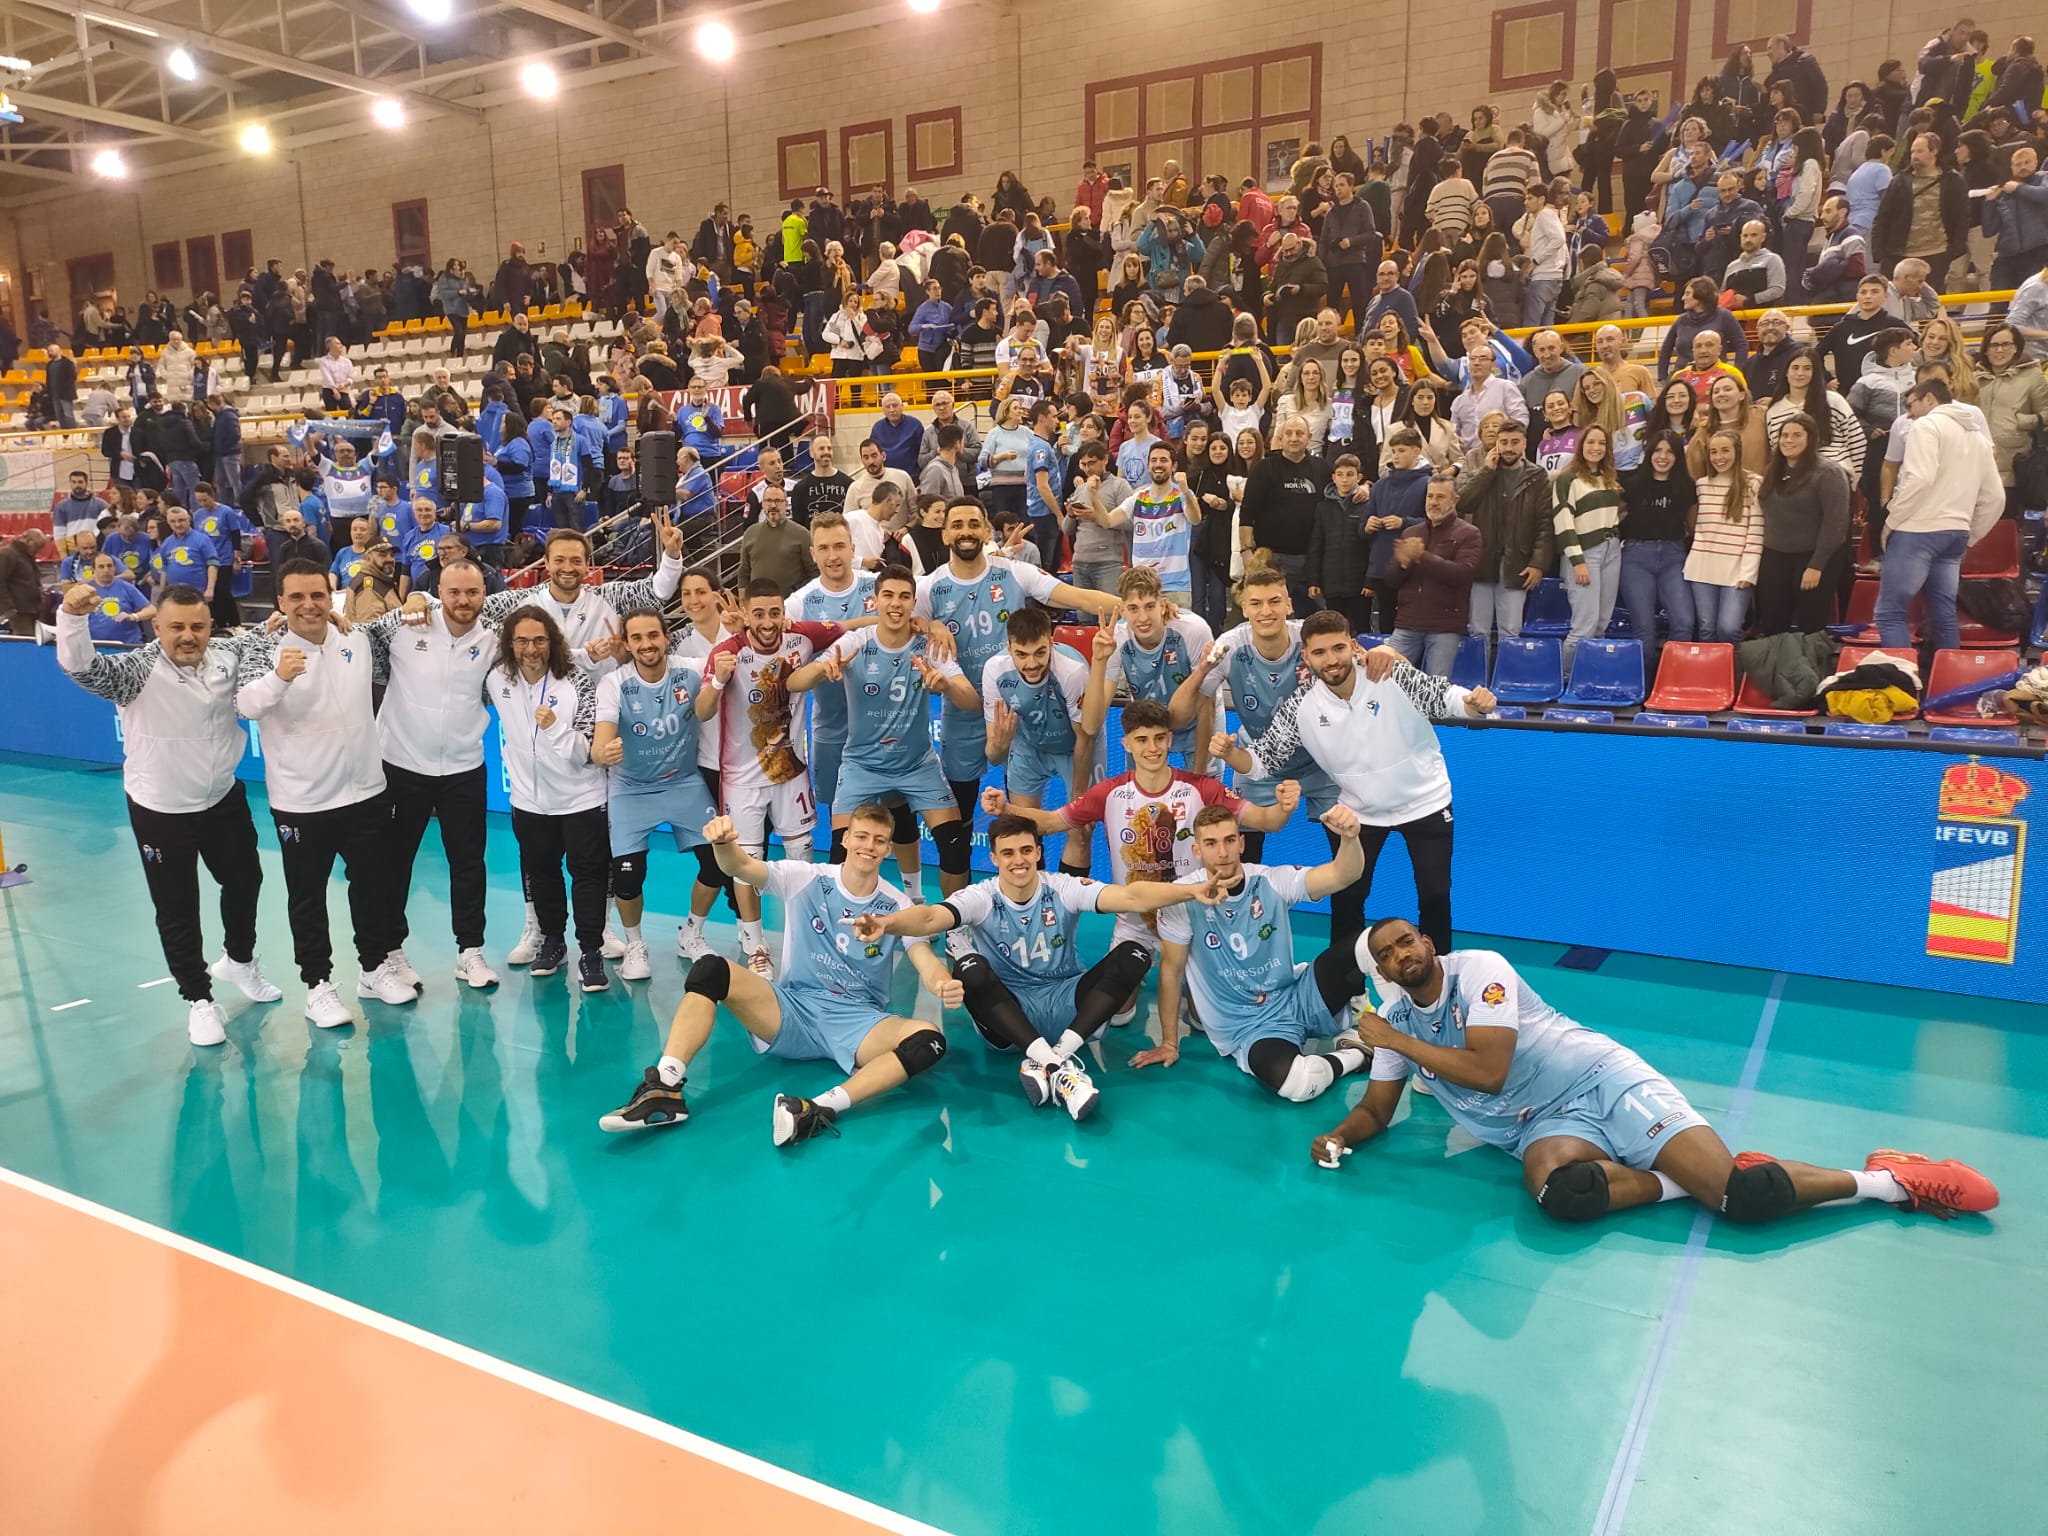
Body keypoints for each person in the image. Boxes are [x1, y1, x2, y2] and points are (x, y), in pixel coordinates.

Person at [1313, 919, 1999, 1224]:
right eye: (1390, 952)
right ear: (1385, 971)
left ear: (1429, 944)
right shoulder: (1395, 1025)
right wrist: (1342, 1135)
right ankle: (1683, 1178)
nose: (1404, 953)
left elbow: (1488, 1072)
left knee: (1742, 1201)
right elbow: (1377, 1108)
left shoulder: (1481, 972)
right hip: (1544, 1131)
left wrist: (1383, 1037)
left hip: (1599, 1083)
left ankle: (1891, 1180)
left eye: (1409, 940)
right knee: (1563, 1196)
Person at [598, 804, 958, 1148]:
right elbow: (741, 866)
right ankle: (665, 1086)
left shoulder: (897, 905)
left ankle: (818, 1108)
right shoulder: (806, 877)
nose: (869, 846)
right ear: (845, 839)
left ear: (889, 848)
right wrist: (723, 844)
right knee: (711, 968)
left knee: (929, 1039)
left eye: (879, 841)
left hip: (859, 1023)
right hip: (792, 1009)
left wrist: (941, 981)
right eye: (862, 836)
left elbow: (923, 956)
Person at [854, 815, 1225, 1121]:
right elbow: (932, 916)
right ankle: (1060, 1067)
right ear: (995, 858)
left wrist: (1190, 891)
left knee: (1135, 953)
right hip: (1008, 1016)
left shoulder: (1061, 888)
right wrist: (888, 923)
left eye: (1027, 850)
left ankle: (1054, 1058)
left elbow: (1129, 896)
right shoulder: (981, 897)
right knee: (969, 967)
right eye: (1008, 853)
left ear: (1038, 853)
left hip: (1068, 1005)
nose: (1019, 860)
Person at [54, 582, 283, 1044]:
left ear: (209, 626)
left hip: (222, 797)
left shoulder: (225, 654)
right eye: (176, 626)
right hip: (161, 808)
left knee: (245, 881)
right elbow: (82, 667)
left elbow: (255, 640)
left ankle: (239, 962)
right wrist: (72, 619)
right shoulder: (137, 669)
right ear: (156, 626)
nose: (187, 635)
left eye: (197, 626)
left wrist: (275, 626)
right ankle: (199, 999)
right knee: (177, 907)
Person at [1214, 611, 1492, 954]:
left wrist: (1474, 704)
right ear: (1306, 657)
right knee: (1347, 898)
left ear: (1353, 646)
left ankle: (1438, 987)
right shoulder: (1301, 704)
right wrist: (1230, 754)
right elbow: (1261, 761)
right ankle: (1344, 990)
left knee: (1434, 896)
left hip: (1426, 804)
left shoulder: (1389, 674)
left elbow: (1445, 697)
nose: (1331, 660)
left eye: (1338, 648)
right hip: (1358, 813)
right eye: (1319, 653)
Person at [234, 559, 414, 1028]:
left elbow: (407, 615)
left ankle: (374, 971)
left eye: (317, 595)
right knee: (307, 898)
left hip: (367, 793)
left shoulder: (355, 636)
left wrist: (418, 597)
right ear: (280, 603)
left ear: (329, 597)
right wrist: (280, 676)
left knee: (373, 889)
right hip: (303, 803)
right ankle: (318, 986)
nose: (308, 605)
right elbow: (246, 704)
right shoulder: (265, 648)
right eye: (296, 597)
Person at [1128, 801, 1376, 1104]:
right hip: (1248, 1026)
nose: (1222, 852)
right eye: (1211, 843)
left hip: (1298, 995)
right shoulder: (1183, 897)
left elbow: (1343, 875)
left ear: (1241, 843)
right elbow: (1171, 970)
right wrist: (1169, 1042)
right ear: (1197, 851)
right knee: (1298, 1085)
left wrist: (1350, 837)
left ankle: (1383, 1019)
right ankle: (1354, 1054)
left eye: (1230, 840)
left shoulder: (1270, 881)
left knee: (1379, 938)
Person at [912, 497, 1118, 827]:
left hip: (1017, 709)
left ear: (985, 531)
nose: (966, 531)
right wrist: (929, 623)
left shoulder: (1013, 572)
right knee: (958, 824)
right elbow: (895, 620)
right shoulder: (927, 588)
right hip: (962, 714)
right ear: (945, 535)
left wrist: (1138, 607)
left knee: (1020, 822)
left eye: (974, 524)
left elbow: (1079, 597)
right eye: (957, 525)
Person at [783, 565, 978, 898]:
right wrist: (821, 669)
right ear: (874, 601)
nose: (896, 604)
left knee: (955, 845)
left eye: (904, 597)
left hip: (917, 764)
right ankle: (856, 916)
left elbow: (972, 701)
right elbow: (793, 682)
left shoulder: (927, 646)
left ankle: (949, 923)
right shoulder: (856, 643)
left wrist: (945, 684)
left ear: (913, 602)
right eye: (888, 595)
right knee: (840, 852)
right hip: (862, 765)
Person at [697, 583, 852, 976]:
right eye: (759, 614)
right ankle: (755, 943)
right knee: (747, 864)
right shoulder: (727, 652)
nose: (767, 622)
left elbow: (853, 626)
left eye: (774, 612)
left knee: (801, 857)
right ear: (746, 615)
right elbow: (700, 712)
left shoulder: (802, 639)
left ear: (784, 612)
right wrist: (717, 681)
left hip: (790, 774)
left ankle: (807, 936)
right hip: (741, 781)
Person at [591, 608, 730, 983]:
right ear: (627, 643)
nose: (646, 644)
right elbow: (602, 733)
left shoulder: (690, 669)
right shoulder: (614, 683)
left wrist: (735, 626)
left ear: (667, 637)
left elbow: (731, 653)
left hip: (683, 782)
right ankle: (635, 944)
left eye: (653, 635)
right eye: (636, 638)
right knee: (627, 876)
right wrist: (602, 751)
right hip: (631, 790)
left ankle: (692, 933)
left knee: (717, 863)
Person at [1876, 379, 2006, 655]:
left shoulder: (1926, 426)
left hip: (1917, 532)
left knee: (1890, 614)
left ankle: (1903, 691)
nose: (1908, 414)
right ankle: (1944, 689)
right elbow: (1996, 498)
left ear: (1930, 400)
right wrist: (1970, 534)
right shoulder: (1978, 438)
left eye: (1911, 405)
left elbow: (1919, 478)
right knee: (1944, 616)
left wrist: (1892, 520)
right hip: (1955, 534)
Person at [1083, 566, 1214, 770]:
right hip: (1149, 729)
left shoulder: (1193, 630)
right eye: (1134, 609)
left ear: (1162, 605)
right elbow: (1091, 726)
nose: (1143, 618)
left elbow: (1207, 707)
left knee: (1202, 797)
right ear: (1123, 610)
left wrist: (1199, 776)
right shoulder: (1117, 639)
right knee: (1142, 798)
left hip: (1196, 722)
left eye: (1149, 606)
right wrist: (1099, 661)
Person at [1754, 413, 1854, 636]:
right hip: (1775, 556)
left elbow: (1836, 524)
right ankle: (1777, 670)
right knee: (1772, 623)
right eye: (1784, 435)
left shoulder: (1829, 472)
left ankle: (1814, 669)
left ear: (1811, 439)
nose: (1788, 440)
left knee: (1811, 624)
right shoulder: (1773, 470)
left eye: (1797, 435)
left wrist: (1816, 566)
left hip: (1814, 558)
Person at [1617, 432, 1698, 668]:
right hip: (1636, 558)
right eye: (1658, 451)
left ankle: (1672, 680)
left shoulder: (1687, 486)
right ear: (1649, 453)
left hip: (1674, 557)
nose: (1663, 457)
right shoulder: (1630, 482)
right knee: (1644, 629)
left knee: (1683, 622)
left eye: (1670, 452)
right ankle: (1646, 687)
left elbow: (1691, 527)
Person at [1550, 424, 1624, 671]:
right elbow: (1563, 522)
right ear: (1582, 446)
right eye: (1591, 442)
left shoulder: (1610, 478)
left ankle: (1592, 674)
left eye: (1602, 443)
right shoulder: (1567, 479)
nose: (1596, 448)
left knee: (1602, 623)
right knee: (1584, 625)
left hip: (1612, 549)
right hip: (1583, 554)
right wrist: (1577, 560)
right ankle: (1567, 677)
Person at [1684, 430, 1763, 641]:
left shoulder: (1753, 483)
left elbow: (1756, 532)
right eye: (1713, 452)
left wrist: (1748, 573)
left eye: (1725, 450)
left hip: (1736, 570)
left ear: (1737, 452)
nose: (1719, 457)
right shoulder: (1701, 485)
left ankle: (1733, 673)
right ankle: (1710, 674)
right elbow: (1695, 528)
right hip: (1702, 568)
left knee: (1728, 628)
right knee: (1707, 629)